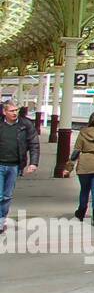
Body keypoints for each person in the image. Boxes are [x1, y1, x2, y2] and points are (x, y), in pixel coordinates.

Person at [0, 99, 40, 233]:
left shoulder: (26, 125)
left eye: (16, 110)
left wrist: (33, 163)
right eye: (11, 111)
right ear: (4, 112)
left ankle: (1, 220)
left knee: (7, 196)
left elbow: (34, 144)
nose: (15, 113)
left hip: (14, 166)